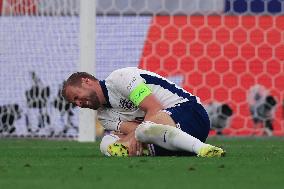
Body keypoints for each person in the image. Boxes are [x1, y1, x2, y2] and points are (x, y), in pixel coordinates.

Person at [61, 67, 225, 157]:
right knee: (106, 143)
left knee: (143, 129)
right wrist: (132, 137)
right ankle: (179, 149)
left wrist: (132, 137)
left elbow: (154, 108)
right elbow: (133, 131)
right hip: (166, 134)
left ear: (86, 81)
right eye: (74, 103)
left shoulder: (121, 79)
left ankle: (203, 149)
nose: (78, 104)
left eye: (77, 96)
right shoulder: (104, 117)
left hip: (191, 113)